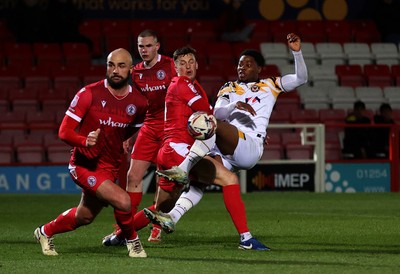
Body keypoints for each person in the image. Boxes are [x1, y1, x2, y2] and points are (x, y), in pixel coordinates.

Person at [146, 33, 308, 250]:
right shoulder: (228, 87)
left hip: (249, 146)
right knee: (197, 185)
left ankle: (182, 168)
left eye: (248, 64)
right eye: (240, 64)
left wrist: (296, 52)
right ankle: (171, 218)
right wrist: (234, 107)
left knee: (210, 123)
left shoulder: (271, 84)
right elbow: (219, 112)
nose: (242, 68)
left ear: (259, 69)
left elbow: (301, 79)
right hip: (226, 149)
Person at [33, 48, 148, 258]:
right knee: (123, 201)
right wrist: (83, 141)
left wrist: (125, 140)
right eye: (111, 65)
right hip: (84, 164)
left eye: (121, 66)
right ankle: (133, 242)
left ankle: (44, 231)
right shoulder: (89, 93)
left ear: (131, 69)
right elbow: (64, 131)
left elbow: (131, 129)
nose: (115, 70)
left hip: (110, 165)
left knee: (84, 216)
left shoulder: (139, 103)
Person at [102, 29, 176, 246]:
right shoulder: (135, 73)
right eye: (141, 46)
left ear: (158, 46)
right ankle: (123, 229)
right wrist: (129, 134)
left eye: (148, 46)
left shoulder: (171, 66)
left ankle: (156, 227)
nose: (144, 50)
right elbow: (136, 107)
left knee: (162, 180)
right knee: (133, 177)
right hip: (149, 127)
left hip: (171, 128)